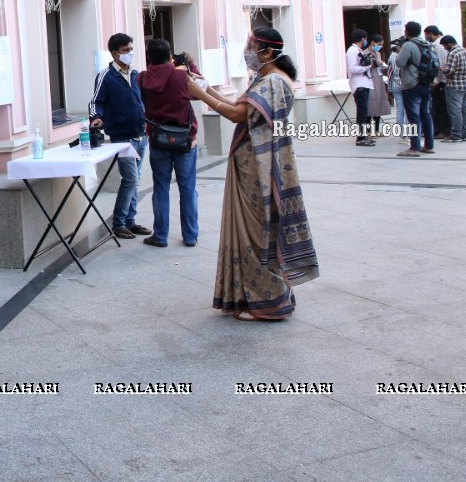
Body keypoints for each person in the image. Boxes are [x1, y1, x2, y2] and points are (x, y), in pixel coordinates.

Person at [186, 28, 319, 320]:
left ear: (268, 53)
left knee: (256, 232)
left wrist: (201, 96)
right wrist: (206, 88)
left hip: (260, 166)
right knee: (255, 229)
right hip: (253, 162)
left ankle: (268, 300)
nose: (247, 51)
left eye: (251, 46)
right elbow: (239, 105)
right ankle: (254, 296)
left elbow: (237, 115)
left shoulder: (273, 81)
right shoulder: (266, 78)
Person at [138, 39, 201, 247]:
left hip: (158, 139)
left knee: (161, 188)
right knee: (188, 189)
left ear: (149, 56)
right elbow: (202, 90)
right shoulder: (182, 76)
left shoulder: (142, 78)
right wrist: (191, 65)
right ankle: (190, 235)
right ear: (170, 57)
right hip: (184, 140)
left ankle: (160, 235)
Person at [89, 33, 148, 239]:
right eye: (126, 51)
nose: (130, 53)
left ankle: (130, 221)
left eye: (131, 49)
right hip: (122, 137)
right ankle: (118, 223)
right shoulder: (106, 75)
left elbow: (142, 100)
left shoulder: (135, 74)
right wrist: (96, 117)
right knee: (130, 179)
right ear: (115, 53)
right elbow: (96, 101)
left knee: (136, 179)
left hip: (140, 135)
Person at [392, 21, 435, 157]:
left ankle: (414, 147)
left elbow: (399, 62)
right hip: (425, 83)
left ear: (407, 32)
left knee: (412, 116)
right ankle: (429, 145)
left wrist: (400, 52)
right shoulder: (426, 44)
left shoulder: (409, 45)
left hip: (411, 83)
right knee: (425, 114)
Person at [439, 35, 466, 142]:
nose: (444, 48)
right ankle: (465, 134)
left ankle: (456, 135)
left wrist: (442, 68)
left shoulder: (453, 53)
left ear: (449, 44)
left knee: (455, 111)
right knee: (465, 110)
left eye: (444, 46)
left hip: (455, 86)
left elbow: (448, 71)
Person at [346, 29, 375, 146]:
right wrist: (367, 67)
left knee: (364, 111)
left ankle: (364, 136)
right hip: (359, 85)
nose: (366, 41)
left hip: (364, 83)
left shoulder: (358, 51)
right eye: (365, 39)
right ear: (362, 38)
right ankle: (360, 137)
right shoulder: (352, 51)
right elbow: (352, 68)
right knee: (362, 111)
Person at [424, 25, 451, 140]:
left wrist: (436, 81)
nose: (425, 37)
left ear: (431, 34)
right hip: (440, 81)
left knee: (442, 108)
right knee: (438, 107)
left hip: (441, 82)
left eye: (426, 34)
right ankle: (438, 130)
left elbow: (440, 64)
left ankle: (444, 131)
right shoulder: (437, 44)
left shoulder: (439, 46)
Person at [366, 33, 391, 130]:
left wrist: (381, 64)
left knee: (379, 103)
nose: (380, 47)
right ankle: (367, 130)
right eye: (379, 44)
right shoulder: (365, 52)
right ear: (373, 43)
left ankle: (376, 129)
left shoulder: (378, 53)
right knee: (370, 104)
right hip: (370, 80)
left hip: (378, 79)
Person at [387, 41, 405, 132]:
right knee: (407, 110)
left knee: (399, 109)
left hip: (395, 85)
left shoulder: (391, 57)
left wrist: (389, 88)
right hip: (405, 85)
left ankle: (402, 133)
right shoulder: (404, 56)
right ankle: (409, 132)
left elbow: (389, 73)